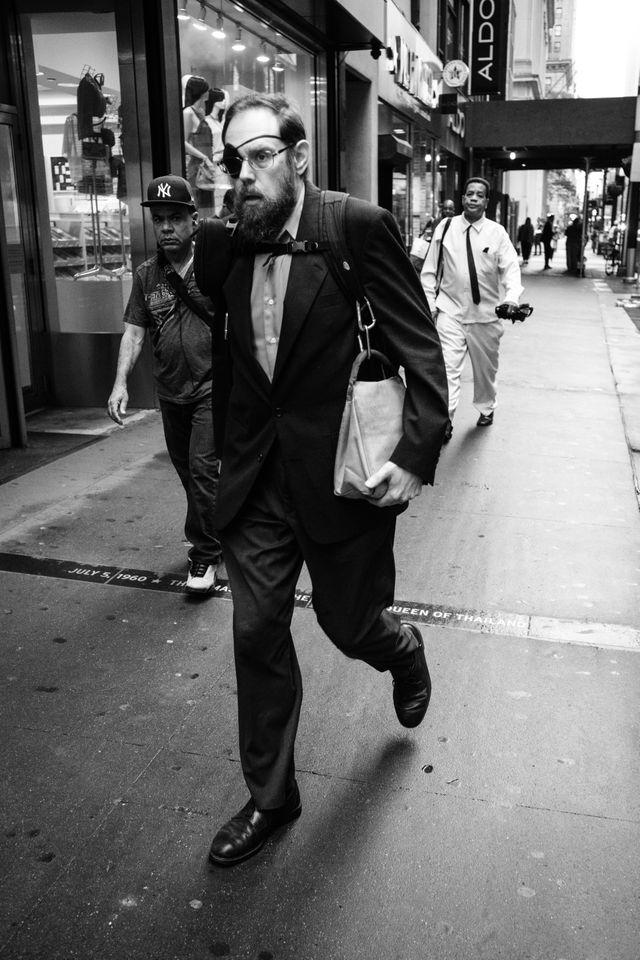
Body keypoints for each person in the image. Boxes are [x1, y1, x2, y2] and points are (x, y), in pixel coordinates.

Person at [205, 93, 449, 867]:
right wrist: (216, 470)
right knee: (255, 630)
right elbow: (232, 367)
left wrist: (413, 454)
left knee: (349, 626)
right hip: (258, 484)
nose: (243, 175)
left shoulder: (354, 229)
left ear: (299, 157)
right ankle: (272, 798)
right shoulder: (226, 245)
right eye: (232, 160)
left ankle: (401, 650)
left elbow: (421, 350)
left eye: (259, 156)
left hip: (343, 475)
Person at [107, 175, 222, 594]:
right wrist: (120, 384)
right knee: (189, 473)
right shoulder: (145, 275)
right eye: (159, 220)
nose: (167, 227)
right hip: (170, 392)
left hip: (213, 387)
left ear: (194, 220)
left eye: (175, 218)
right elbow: (134, 333)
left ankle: (204, 556)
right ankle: (218, 531)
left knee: (203, 469)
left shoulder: (215, 266)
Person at [420, 177, 523, 443]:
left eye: (479, 195)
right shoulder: (445, 227)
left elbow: (511, 268)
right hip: (450, 312)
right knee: (447, 371)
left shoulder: (497, 233)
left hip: (486, 316)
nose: (473, 198)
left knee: (485, 372)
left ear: (487, 202)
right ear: (463, 198)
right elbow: (430, 271)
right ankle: (445, 421)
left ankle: (486, 407)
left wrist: (512, 298)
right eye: (469, 194)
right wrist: (431, 305)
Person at [183, 75, 217, 214]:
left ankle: (207, 232)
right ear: (201, 91)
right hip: (196, 167)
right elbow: (183, 142)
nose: (208, 92)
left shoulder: (200, 112)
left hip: (207, 166)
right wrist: (204, 157)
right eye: (206, 89)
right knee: (197, 205)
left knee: (208, 206)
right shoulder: (188, 113)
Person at [410, 198, 456, 273]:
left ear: (454, 210)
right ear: (442, 210)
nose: (447, 211)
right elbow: (428, 237)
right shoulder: (435, 222)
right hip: (435, 257)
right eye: (445, 208)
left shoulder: (456, 223)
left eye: (450, 209)